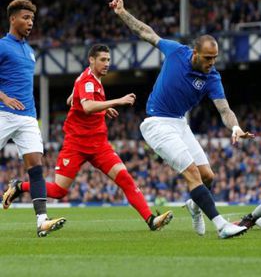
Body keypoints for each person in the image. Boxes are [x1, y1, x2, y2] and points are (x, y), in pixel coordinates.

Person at [109, 0, 254, 239]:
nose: (212, 63)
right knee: (192, 173)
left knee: (208, 176)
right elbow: (147, 32)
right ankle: (221, 225)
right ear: (195, 53)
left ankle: (194, 207)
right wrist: (122, 13)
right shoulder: (176, 52)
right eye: (208, 58)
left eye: (215, 58)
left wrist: (235, 127)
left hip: (179, 123)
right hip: (157, 124)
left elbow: (224, 110)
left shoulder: (212, 78)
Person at [4, 44, 173, 231]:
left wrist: (101, 106)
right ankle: (20, 186)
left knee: (125, 178)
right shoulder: (88, 80)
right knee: (59, 191)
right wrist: (117, 101)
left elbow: (73, 100)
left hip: (99, 145)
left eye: (108, 60)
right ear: (91, 60)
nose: (107, 63)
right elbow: (87, 107)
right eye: (102, 59)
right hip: (76, 144)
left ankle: (151, 220)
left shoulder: (90, 79)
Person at [0, 0, 66, 237]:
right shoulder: (2, 46)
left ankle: (42, 221)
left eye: (32, 19)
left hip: (28, 117)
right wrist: (5, 98)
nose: (30, 23)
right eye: (26, 18)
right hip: (3, 113)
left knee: (36, 167)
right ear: (13, 19)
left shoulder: (30, 51)